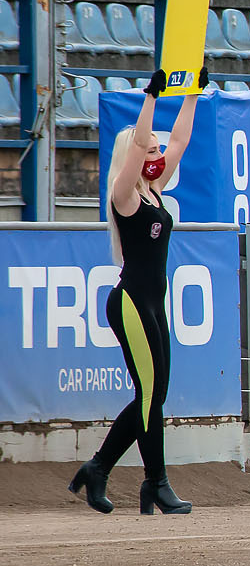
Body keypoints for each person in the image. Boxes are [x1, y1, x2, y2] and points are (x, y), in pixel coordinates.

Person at [68, 71, 199, 517]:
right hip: (129, 303)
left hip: (152, 304)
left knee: (154, 394)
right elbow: (143, 137)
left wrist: (193, 94)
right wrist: (150, 96)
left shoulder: (155, 190)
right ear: (135, 156)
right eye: (151, 149)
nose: (160, 153)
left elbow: (179, 139)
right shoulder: (124, 194)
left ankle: (99, 467)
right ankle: (156, 484)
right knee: (149, 394)